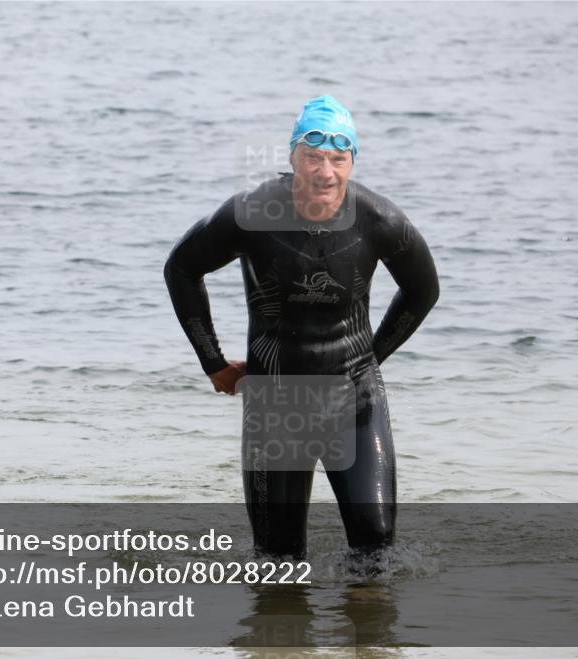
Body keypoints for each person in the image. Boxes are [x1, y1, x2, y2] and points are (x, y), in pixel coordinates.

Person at [164, 95, 439, 561]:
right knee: (278, 561)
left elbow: (423, 292)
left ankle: (367, 628)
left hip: (354, 398)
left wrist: (369, 358)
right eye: (313, 157)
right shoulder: (250, 213)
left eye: (338, 158)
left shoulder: (380, 221)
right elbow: (182, 268)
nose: (325, 172)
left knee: (376, 549)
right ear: (293, 157)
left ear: (353, 161)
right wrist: (212, 362)